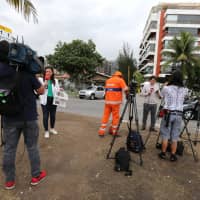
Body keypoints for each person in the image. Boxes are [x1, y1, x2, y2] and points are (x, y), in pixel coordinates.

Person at [0, 40, 46, 190]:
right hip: (29, 117)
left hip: (9, 117)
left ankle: (9, 181)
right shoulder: (26, 70)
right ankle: (36, 175)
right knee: (32, 147)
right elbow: (41, 91)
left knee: (9, 149)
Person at [158, 70, 188, 162]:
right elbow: (186, 98)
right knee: (175, 136)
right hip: (179, 114)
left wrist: (164, 85)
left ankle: (163, 153)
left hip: (168, 113)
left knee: (166, 134)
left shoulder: (167, 88)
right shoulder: (185, 89)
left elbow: (160, 96)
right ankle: (173, 155)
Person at [98, 71, 128, 137]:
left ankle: (101, 132)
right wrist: (128, 95)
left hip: (107, 102)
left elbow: (106, 90)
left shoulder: (108, 80)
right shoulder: (120, 80)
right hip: (115, 103)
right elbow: (126, 89)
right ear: (120, 76)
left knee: (105, 116)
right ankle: (114, 132)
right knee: (115, 117)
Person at [38, 67, 60, 138]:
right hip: (45, 100)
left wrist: (59, 90)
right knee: (45, 116)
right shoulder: (41, 80)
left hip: (53, 100)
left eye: (49, 71)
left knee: (53, 115)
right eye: (46, 71)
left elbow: (57, 89)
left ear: (52, 72)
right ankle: (46, 131)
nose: (48, 73)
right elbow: (38, 90)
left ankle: (52, 129)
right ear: (44, 72)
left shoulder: (55, 80)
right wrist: (45, 83)